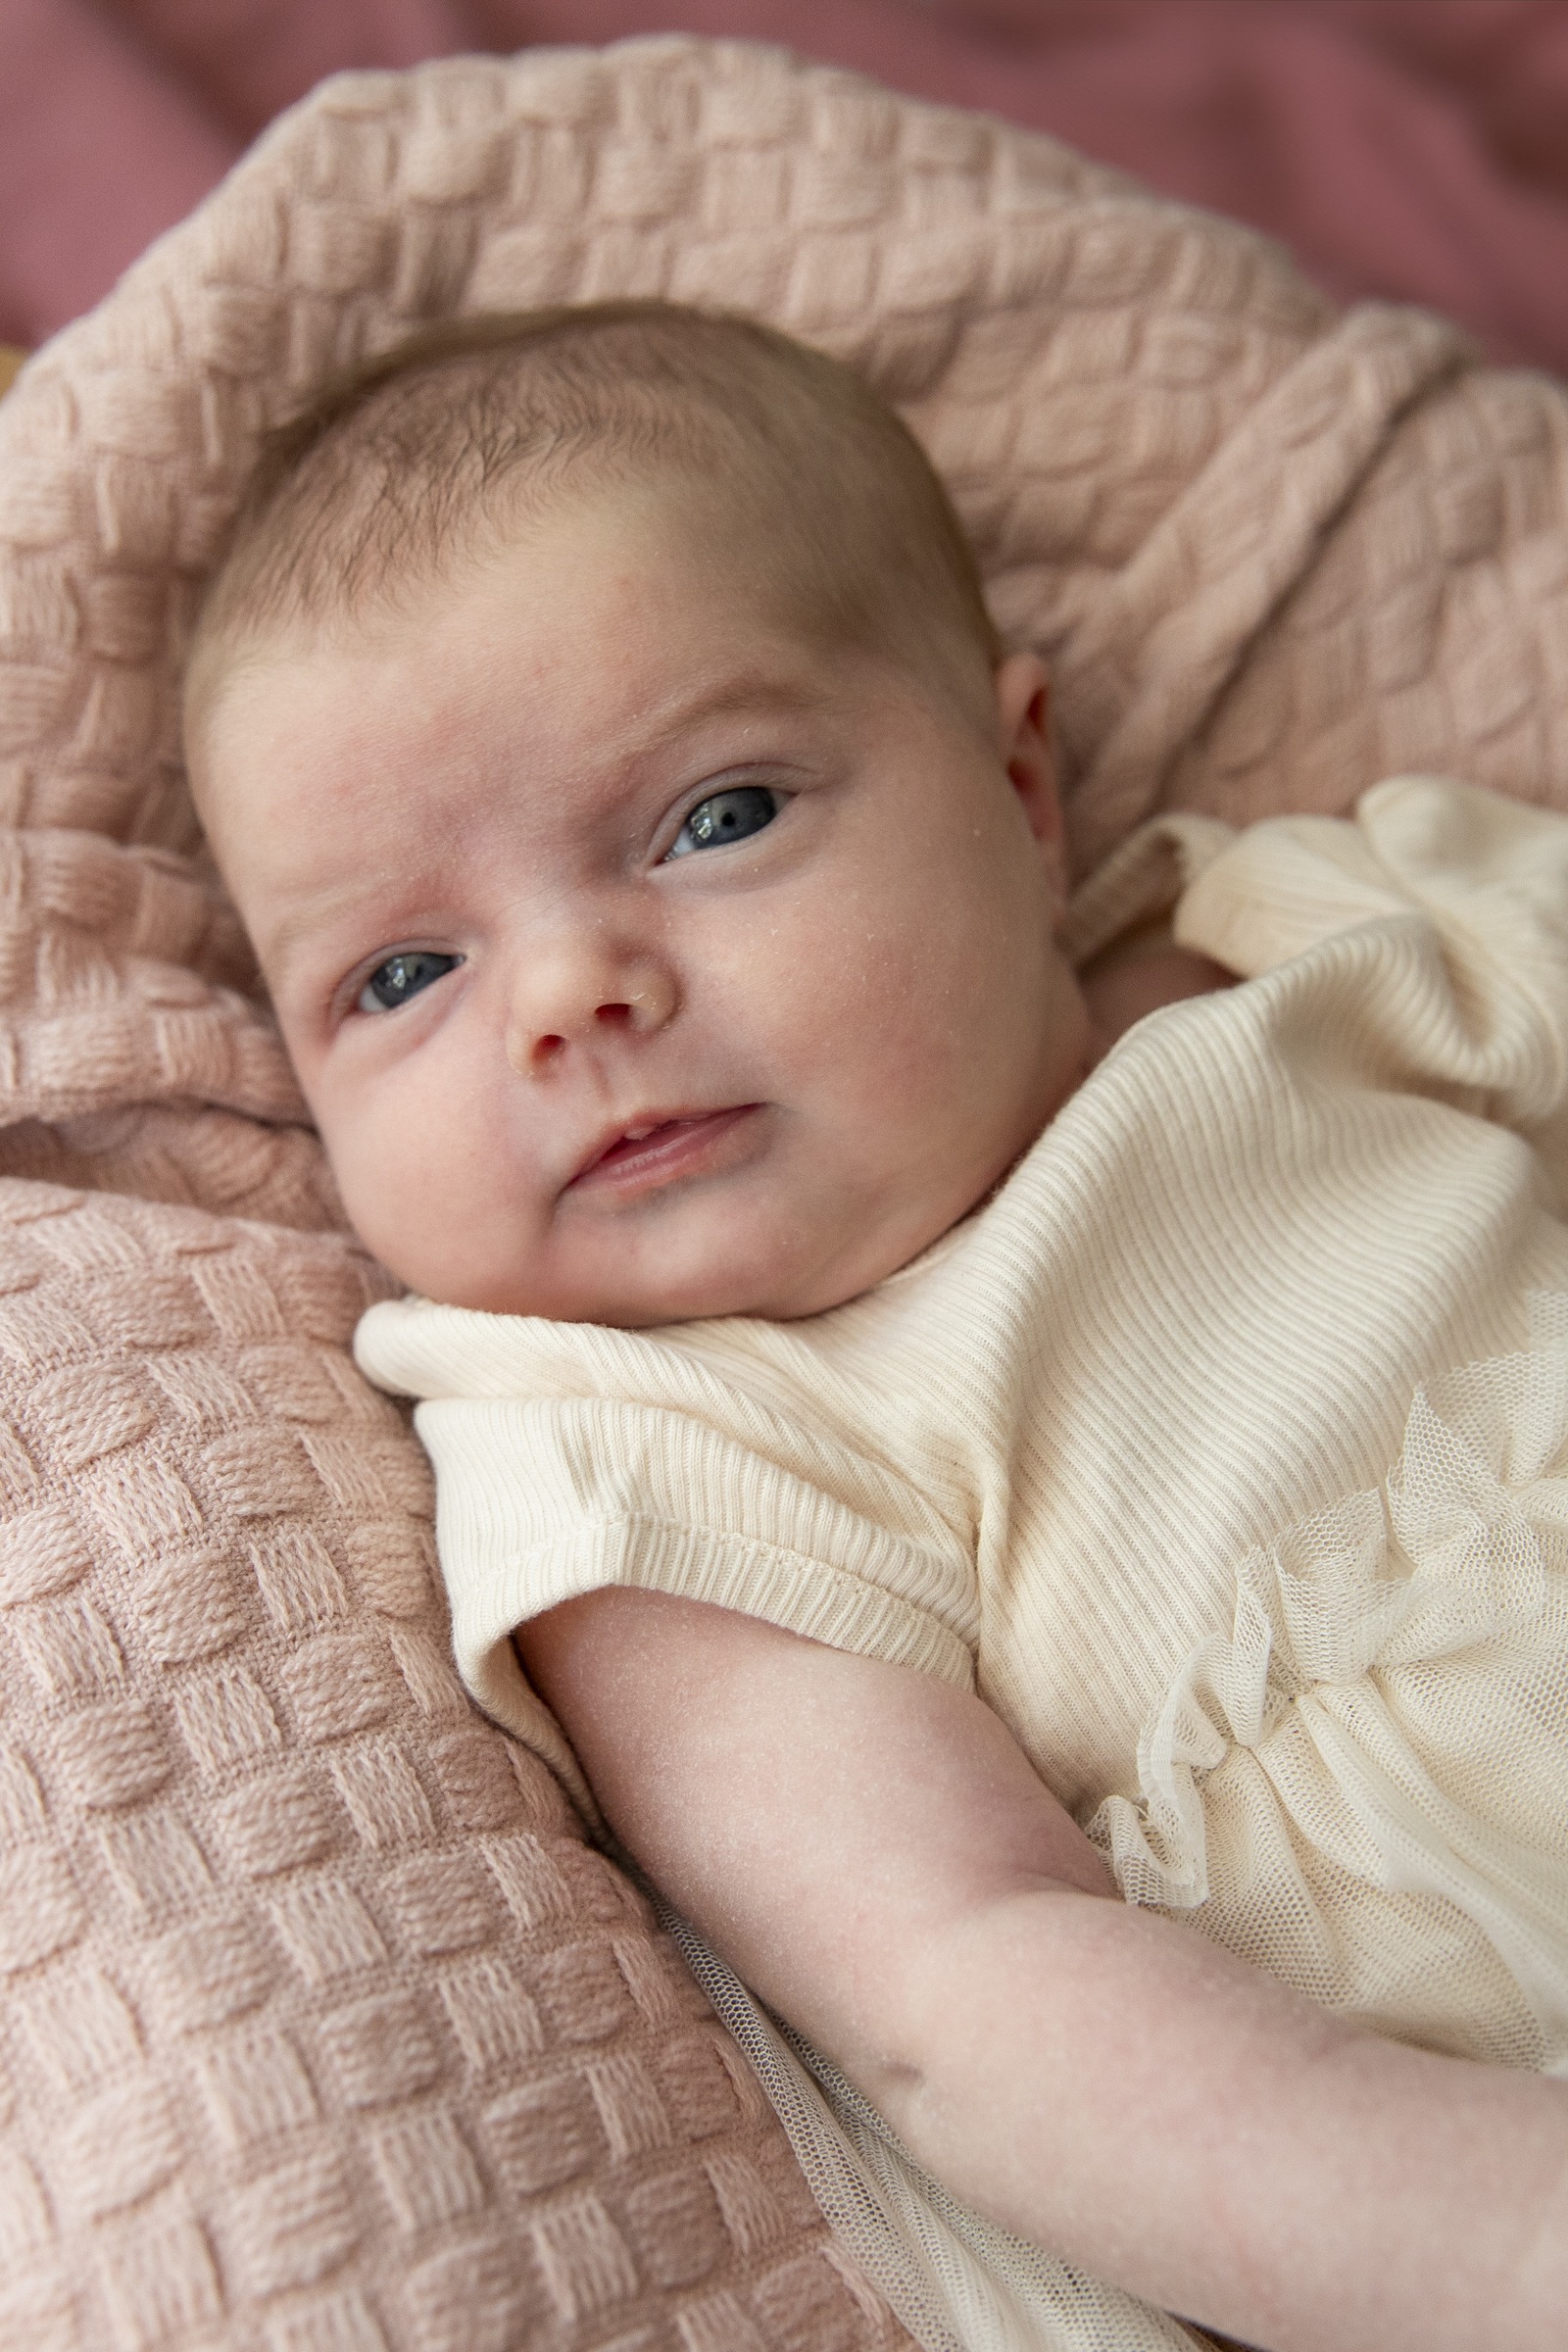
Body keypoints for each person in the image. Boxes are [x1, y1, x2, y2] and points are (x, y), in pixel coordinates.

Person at [183, 300, 1568, 2352]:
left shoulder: (1318, 939)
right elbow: (959, 1984)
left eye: (711, 818)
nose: (568, 994)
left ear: (1020, 792)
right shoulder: (635, 1428)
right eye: (399, 977)